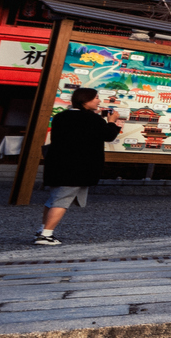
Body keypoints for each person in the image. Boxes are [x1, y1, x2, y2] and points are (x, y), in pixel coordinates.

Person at [32, 87, 122, 245]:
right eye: (96, 98)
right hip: (77, 166)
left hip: (56, 163)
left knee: (53, 200)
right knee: (62, 201)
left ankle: (42, 229)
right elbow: (107, 136)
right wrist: (112, 122)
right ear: (85, 100)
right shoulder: (92, 119)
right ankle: (46, 235)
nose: (99, 101)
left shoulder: (61, 116)